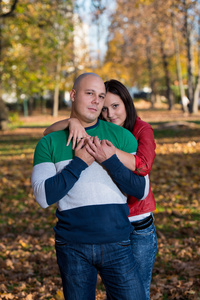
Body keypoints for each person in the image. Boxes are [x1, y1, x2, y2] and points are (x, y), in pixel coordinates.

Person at [32, 73, 148, 300]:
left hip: (119, 243)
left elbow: (140, 190)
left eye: (101, 96)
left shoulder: (122, 137)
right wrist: (79, 164)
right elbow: (43, 197)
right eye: (90, 93)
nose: (97, 100)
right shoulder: (49, 142)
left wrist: (110, 161)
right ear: (73, 95)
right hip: (72, 247)